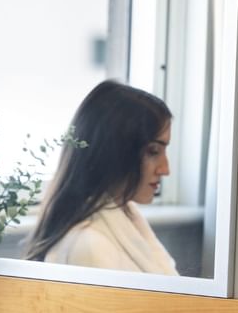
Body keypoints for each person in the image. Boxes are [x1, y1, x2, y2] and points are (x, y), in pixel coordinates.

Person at [23, 79, 180, 275]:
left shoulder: (127, 217)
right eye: (153, 151)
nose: (165, 169)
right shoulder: (89, 246)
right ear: (116, 152)